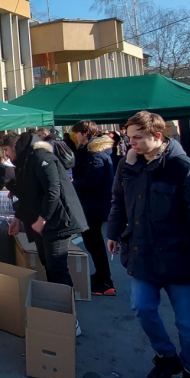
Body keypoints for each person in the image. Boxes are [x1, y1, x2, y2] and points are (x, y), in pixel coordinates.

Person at [107, 111, 190, 378]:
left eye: (137, 138)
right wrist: (114, 232)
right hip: (143, 255)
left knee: (188, 324)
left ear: (157, 136)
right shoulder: (128, 165)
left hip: (179, 260)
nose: (130, 143)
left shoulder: (184, 168)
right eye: (129, 138)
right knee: (142, 307)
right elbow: (118, 201)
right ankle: (166, 356)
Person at [8, 131, 88, 289]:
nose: (6, 154)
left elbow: (53, 191)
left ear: (16, 147)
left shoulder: (41, 157)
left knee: (56, 266)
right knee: (48, 262)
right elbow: (27, 195)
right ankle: (59, 303)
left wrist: (42, 218)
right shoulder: (26, 162)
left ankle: (65, 309)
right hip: (45, 221)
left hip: (58, 221)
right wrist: (18, 218)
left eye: (7, 150)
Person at [70, 120, 118, 296]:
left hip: (93, 206)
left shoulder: (94, 153)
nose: (74, 136)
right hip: (93, 205)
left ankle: (105, 282)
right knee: (93, 244)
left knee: (95, 244)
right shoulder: (93, 151)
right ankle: (102, 277)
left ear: (84, 133)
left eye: (76, 133)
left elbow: (93, 180)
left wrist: (73, 183)